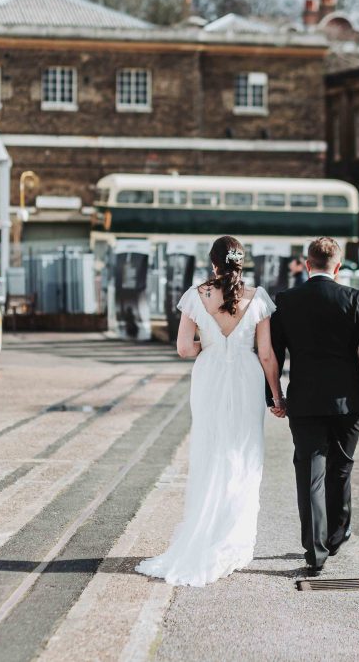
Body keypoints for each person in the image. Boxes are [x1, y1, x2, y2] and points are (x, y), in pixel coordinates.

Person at [136, 235, 284, 587]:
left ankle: (204, 530)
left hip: (210, 376)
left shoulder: (196, 295)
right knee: (243, 452)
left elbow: (185, 349)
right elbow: (266, 355)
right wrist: (277, 396)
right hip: (247, 378)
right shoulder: (258, 298)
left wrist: (214, 344)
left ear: (213, 263)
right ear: (240, 262)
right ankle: (233, 539)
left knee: (210, 449)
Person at [268, 236, 359, 577]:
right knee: (341, 468)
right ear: (337, 267)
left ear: (308, 265)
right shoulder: (353, 298)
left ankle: (315, 549)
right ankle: (337, 534)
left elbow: (274, 355)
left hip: (304, 401)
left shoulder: (287, 301)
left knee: (310, 473)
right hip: (347, 402)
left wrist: (273, 396)